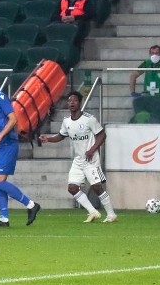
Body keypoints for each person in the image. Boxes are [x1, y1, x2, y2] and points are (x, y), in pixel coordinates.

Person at [38, 91, 118, 223]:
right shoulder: (67, 122)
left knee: (97, 187)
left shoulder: (89, 119)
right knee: (72, 188)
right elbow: (61, 135)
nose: (71, 103)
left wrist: (92, 149)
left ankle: (111, 214)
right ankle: (93, 212)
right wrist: (49, 139)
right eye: (69, 101)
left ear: (80, 103)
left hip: (91, 159)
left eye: (74, 100)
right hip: (78, 160)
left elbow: (102, 135)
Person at [0, 69, 40, 228]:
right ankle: (3, 219)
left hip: (7, 143)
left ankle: (31, 205)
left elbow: (13, 119)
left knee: (0, 182)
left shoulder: (0, 97)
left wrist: (0, 137)